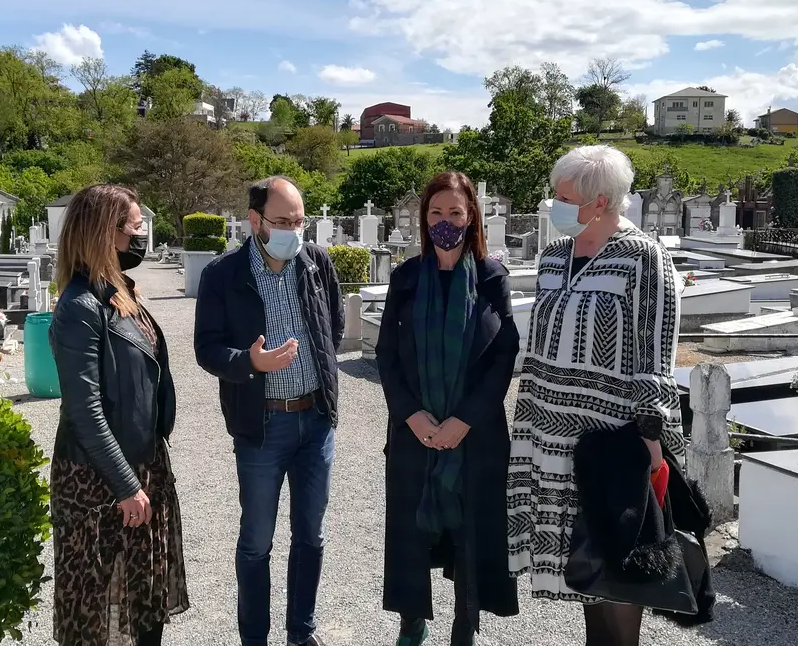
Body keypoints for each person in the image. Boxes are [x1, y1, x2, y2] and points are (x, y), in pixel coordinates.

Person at [506, 145, 686, 646]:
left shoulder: (644, 258)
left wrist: (652, 441)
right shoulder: (554, 257)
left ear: (602, 202)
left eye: (564, 198)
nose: (553, 206)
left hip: (610, 442)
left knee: (618, 572)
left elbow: (657, 350)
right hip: (548, 437)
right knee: (584, 573)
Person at [193, 176, 345, 646]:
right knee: (257, 542)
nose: (294, 231)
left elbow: (333, 326)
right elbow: (207, 349)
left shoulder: (315, 262)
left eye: (300, 221)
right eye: (283, 222)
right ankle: (254, 639)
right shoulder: (223, 275)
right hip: (262, 426)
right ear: (255, 221)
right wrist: (250, 363)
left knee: (311, 535)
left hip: (315, 420)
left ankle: (301, 632)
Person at [377, 172, 520, 646]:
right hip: (414, 431)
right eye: (436, 213)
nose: (445, 221)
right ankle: (411, 623)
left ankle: (465, 627)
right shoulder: (406, 277)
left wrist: (465, 420)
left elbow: (503, 355)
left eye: (455, 213)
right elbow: (388, 355)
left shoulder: (492, 277)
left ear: (471, 216)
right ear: (424, 218)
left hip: (473, 435)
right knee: (411, 531)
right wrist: (411, 415)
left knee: (469, 532)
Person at [48, 184, 188, 646]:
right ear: (106, 233)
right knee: (97, 609)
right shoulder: (79, 308)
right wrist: (126, 485)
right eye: (135, 225)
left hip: (144, 464)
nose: (143, 232)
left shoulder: (119, 293)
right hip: (97, 481)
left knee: (143, 596)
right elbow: (85, 409)